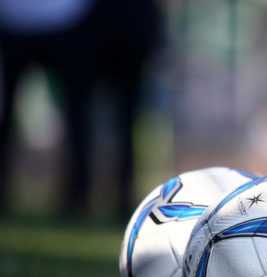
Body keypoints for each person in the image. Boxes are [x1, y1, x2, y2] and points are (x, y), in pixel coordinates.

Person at [0, 0, 163, 218]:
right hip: (74, 25)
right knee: (82, 116)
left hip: (112, 25)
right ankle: (81, 195)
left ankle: (109, 196)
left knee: (115, 117)